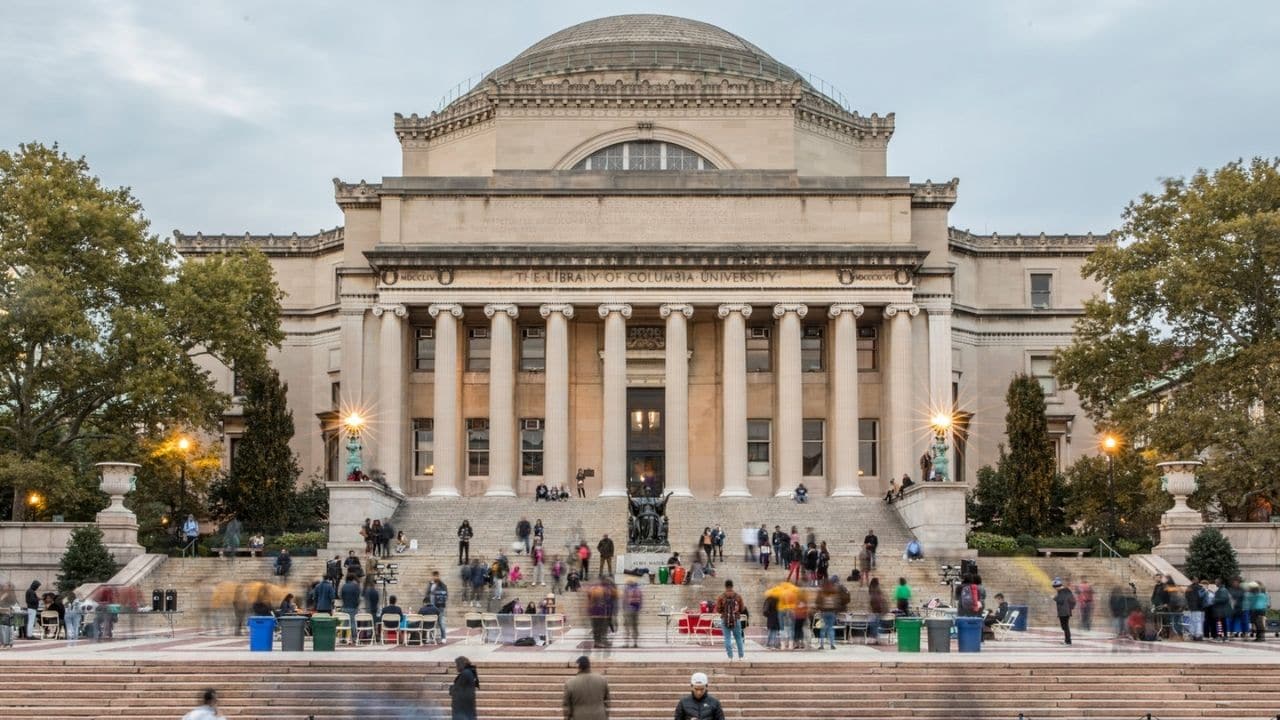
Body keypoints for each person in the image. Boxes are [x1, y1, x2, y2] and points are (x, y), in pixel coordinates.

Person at [563, 654, 610, 720]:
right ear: (589, 666)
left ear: (579, 667)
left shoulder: (570, 683)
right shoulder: (602, 680)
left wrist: (567, 717)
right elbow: (607, 701)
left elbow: (567, 706)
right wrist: (605, 715)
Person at [450, 656, 479, 720]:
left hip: (463, 709)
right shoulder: (469, 672)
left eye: (457, 664)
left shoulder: (465, 673)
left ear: (461, 664)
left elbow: (458, 689)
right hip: (466, 708)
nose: (456, 667)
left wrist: (451, 689)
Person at [425, 570, 449, 640]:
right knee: (431, 621)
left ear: (438, 576)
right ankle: (431, 637)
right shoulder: (430, 584)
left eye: (436, 576)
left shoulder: (442, 585)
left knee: (441, 622)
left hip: (440, 606)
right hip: (431, 606)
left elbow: (446, 595)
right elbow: (427, 593)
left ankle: (443, 637)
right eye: (434, 576)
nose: (435, 577)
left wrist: (442, 601)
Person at [1053, 577, 1076, 645]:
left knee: (1065, 627)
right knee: (1065, 627)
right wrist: (1070, 608)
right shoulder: (1066, 591)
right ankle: (1067, 640)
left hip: (1063, 612)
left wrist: (1054, 598)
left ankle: (1068, 641)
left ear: (1058, 586)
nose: (1055, 589)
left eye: (1055, 588)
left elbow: (1061, 600)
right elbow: (1073, 601)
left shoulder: (1062, 591)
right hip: (1066, 611)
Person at [623, 579, 642, 648]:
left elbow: (624, 600)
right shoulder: (638, 589)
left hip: (628, 610)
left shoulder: (627, 589)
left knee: (627, 627)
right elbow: (641, 601)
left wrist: (624, 608)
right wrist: (638, 609)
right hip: (635, 610)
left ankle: (627, 643)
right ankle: (635, 643)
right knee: (635, 627)